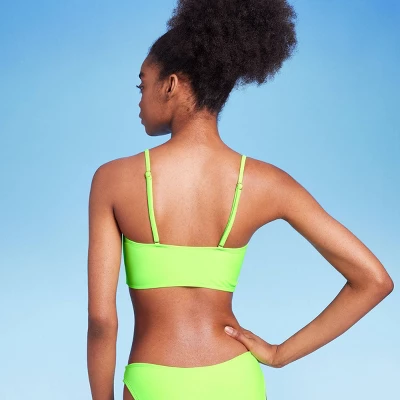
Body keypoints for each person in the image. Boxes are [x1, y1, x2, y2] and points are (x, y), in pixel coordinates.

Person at [87, 1, 394, 399]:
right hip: (236, 379)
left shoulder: (112, 180)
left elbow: (101, 321)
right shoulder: (266, 183)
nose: (139, 99)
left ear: (171, 85)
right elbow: (374, 280)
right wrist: (279, 354)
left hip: (154, 382)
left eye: (141, 85)